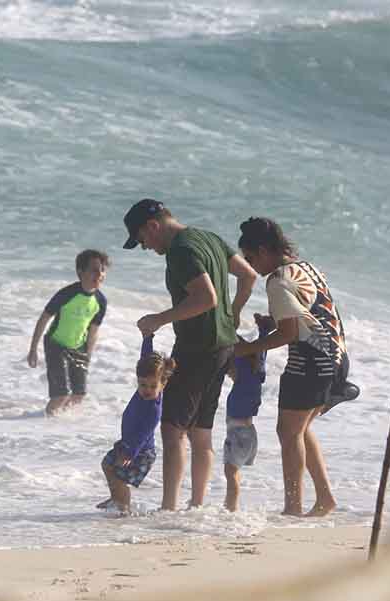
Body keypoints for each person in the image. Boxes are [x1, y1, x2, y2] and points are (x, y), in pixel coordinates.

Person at [122, 199, 257, 510]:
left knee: (172, 430)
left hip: (196, 346)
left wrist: (158, 319)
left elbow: (206, 298)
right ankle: (196, 505)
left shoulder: (180, 250)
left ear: (152, 226)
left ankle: (169, 507)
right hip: (223, 346)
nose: (145, 247)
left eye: (142, 240)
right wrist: (233, 313)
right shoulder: (209, 237)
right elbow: (248, 275)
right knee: (201, 431)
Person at [233, 217, 359, 518]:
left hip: (310, 362)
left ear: (263, 250)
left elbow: (289, 334)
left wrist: (244, 349)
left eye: (250, 258)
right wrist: (272, 323)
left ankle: (293, 507)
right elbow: (310, 315)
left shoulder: (277, 280)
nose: (251, 266)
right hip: (336, 357)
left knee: (288, 432)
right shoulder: (306, 268)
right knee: (299, 430)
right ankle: (325, 498)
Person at [98, 335, 176, 514]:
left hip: (140, 452)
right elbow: (145, 358)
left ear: (163, 384)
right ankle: (116, 498)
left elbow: (144, 433)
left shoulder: (153, 409)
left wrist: (130, 453)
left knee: (119, 479)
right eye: (142, 384)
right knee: (107, 465)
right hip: (128, 445)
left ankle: (124, 510)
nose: (147, 390)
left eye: (152, 386)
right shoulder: (144, 389)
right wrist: (147, 337)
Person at [27, 249, 108, 416]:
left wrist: (88, 356)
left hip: (79, 347)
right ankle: (44, 423)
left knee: (78, 395)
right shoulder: (67, 294)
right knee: (60, 395)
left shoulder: (100, 301)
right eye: (94, 269)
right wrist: (33, 349)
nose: (99, 274)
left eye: (102, 270)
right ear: (80, 272)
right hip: (56, 344)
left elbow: (93, 331)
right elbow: (44, 319)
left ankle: (60, 425)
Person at [223, 314, 274, 512]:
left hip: (240, 434)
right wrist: (264, 331)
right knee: (232, 472)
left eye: (230, 369)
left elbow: (244, 351)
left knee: (231, 472)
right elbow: (260, 354)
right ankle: (230, 507)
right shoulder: (255, 375)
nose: (229, 374)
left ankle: (231, 509)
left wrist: (228, 328)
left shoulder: (247, 377)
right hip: (245, 432)